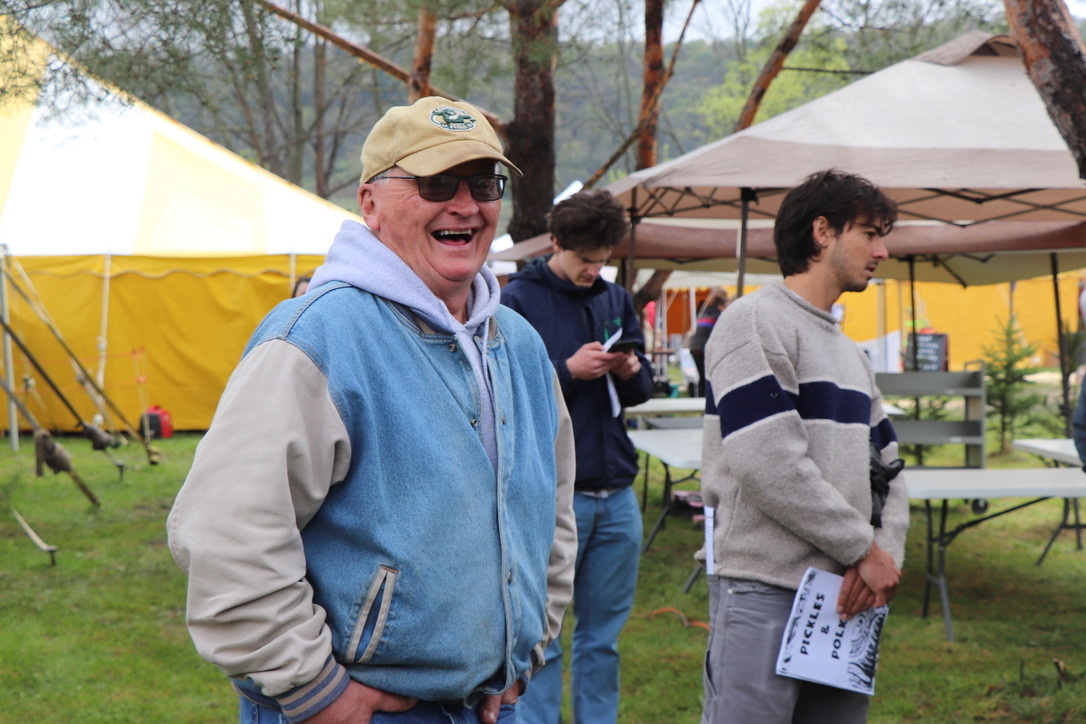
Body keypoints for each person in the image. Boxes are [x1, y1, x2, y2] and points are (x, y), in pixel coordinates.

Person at [167, 95, 578, 724]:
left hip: (492, 704)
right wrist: (312, 688)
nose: (465, 204)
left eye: (484, 182)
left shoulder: (517, 343)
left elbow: (550, 510)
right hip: (358, 710)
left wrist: (525, 649)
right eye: (437, 181)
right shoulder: (318, 337)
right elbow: (227, 533)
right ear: (370, 203)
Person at [699, 169, 910, 724]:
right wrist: (864, 552)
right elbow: (768, 461)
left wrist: (880, 562)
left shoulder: (851, 353)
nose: (883, 251)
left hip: (849, 597)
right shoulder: (753, 322)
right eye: (870, 232)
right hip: (765, 589)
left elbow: (889, 469)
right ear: (822, 231)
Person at [500, 189, 654, 724]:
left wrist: (632, 372)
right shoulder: (516, 301)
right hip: (552, 496)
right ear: (556, 243)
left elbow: (641, 393)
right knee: (545, 637)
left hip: (617, 493)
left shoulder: (615, 299)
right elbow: (504, 395)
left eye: (603, 260)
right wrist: (566, 371)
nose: (595, 270)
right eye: (585, 260)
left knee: (603, 640)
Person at [686, 289, 728, 397]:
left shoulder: (705, 313)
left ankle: (701, 398)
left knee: (702, 377)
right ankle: (704, 400)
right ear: (721, 305)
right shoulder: (718, 315)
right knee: (708, 377)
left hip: (694, 347)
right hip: (703, 348)